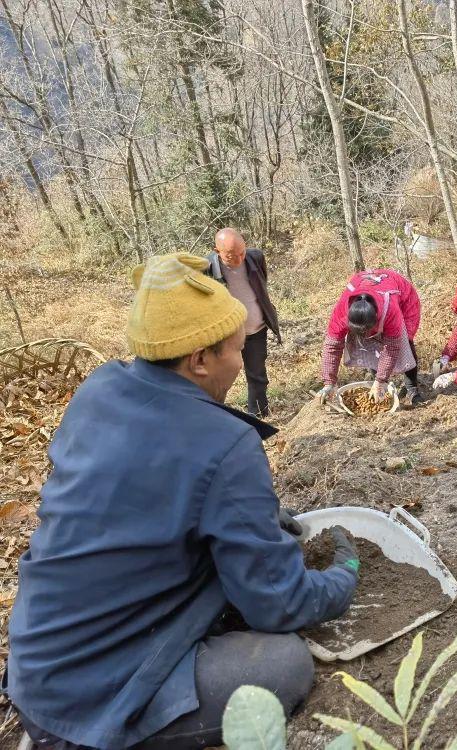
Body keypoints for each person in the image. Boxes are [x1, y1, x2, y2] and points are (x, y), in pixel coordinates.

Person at [3, 253, 359, 749]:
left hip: (38, 664)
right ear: (199, 360)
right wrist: (343, 578)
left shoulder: (98, 390)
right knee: (284, 665)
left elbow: (146, 494)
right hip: (93, 690)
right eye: (237, 349)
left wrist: (255, 515)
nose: (243, 361)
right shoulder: (226, 444)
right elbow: (278, 606)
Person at [206, 228, 281, 417]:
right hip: (226, 335)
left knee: (257, 376)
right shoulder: (206, 268)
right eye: (232, 256)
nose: (239, 260)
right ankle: (216, 418)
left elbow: (261, 286)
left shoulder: (256, 258)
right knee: (218, 379)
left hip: (256, 329)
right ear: (217, 251)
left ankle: (259, 416)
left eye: (242, 252)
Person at [318, 269, 422, 404]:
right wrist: (329, 383)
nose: (366, 335)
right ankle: (378, 381)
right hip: (372, 300)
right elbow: (332, 346)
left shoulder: (390, 309)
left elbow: (392, 348)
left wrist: (380, 381)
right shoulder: (341, 312)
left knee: (404, 343)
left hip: (403, 298)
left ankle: (411, 388)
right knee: (371, 345)